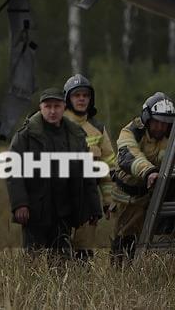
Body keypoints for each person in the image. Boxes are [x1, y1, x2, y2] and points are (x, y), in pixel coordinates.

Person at [6, 88, 102, 258]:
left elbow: (87, 174)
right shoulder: (26, 136)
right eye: (48, 106)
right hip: (36, 210)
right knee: (33, 260)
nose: (52, 111)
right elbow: (13, 171)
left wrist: (94, 208)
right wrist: (20, 204)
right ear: (40, 107)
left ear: (64, 107)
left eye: (56, 106)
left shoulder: (75, 135)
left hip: (64, 211)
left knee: (61, 261)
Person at [109, 92, 175, 262]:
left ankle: (158, 272)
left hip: (156, 195)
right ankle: (121, 275)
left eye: (165, 123)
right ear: (147, 118)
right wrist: (149, 171)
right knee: (124, 243)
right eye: (156, 122)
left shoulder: (173, 133)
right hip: (128, 198)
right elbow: (128, 155)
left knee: (162, 239)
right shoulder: (130, 131)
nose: (160, 127)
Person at [62, 74, 116, 258]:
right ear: (67, 99)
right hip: (61, 195)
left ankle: (81, 276)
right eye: (76, 95)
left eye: (85, 95)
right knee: (59, 248)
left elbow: (108, 166)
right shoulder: (56, 122)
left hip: (88, 197)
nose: (81, 99)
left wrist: (108, 200)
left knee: (83, 251)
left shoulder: (98, 128)